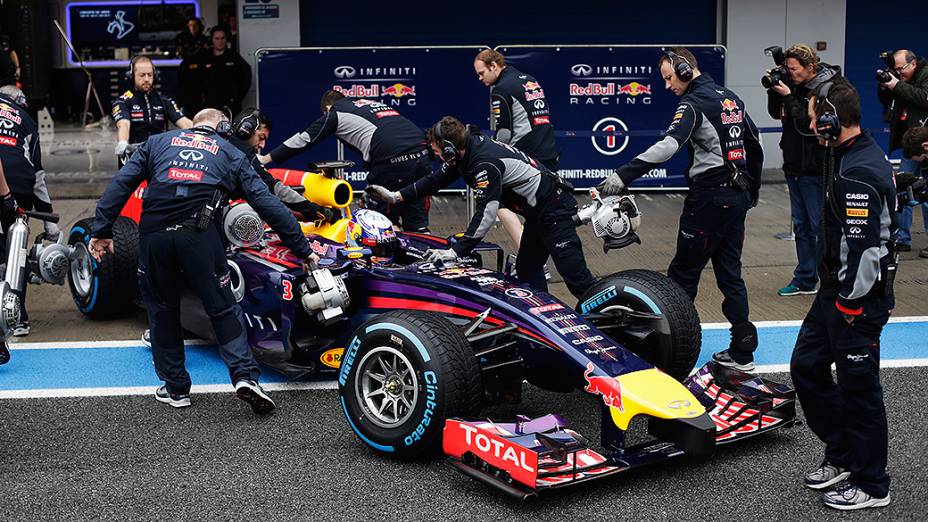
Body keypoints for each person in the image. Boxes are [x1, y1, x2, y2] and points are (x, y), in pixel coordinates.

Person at [89, 109, 316, 414]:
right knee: (223, 308)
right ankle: (245, 377)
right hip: (199, 236)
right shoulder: (229, 152)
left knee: (162, 311)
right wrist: (303, 249)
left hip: (154, 236)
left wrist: (101, 230)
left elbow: (120, 184)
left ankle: (176, 389)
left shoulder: (158, 142)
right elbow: (268, 203)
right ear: (223, 127)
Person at [599, 48, 764, 371]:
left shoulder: (693, 103)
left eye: (669, 77)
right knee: (730, 274)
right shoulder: (729, 98)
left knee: (681, 278)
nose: (667, 85)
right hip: (735, 198)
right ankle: (744, 351)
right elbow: (754, 142)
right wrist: (752, 191)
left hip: (708, 200)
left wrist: (623, 174)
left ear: (686, 70)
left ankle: (668, 354)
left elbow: (668, 146)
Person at [791, 79, 895, 511]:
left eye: (815, 115)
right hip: (836, 288)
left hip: (857, 298)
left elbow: (867, 249)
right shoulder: (847, 154)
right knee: (806, 367)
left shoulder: (858, 170)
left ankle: (873, 485)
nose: (811, 122)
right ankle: (844, 453)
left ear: (832, 119)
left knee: (860, 390)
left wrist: (850, 303)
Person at [367, 116, 596, 298]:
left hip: (554, 210)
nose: (436, 156)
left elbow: (486, 213)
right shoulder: (466, 151)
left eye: (437, 151)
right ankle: (545, 316)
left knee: (577, 279)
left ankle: (610, 325)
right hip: (539, 215)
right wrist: (396, 197)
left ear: (448, 148)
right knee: (527, 271)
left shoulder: (484, 162)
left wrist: (456, 251)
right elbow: (434, 180)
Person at [260, 90, 431, 232]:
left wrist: (265, 159)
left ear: (327, 109)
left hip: (392, 161)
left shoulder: (335, 113)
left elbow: (303, 140)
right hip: (422, 155)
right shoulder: (368, 103)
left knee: (378, 225)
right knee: (417, 225)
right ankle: (424, 264)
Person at [767, 44, 839, 296]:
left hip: (814, 167)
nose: (791, 73)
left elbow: (809, 125)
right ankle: (806, 279)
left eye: (794, 69)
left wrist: (788, 94)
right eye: (787, 68)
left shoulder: (825, 88)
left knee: (819, 226)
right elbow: (775, 113)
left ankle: (829, 279)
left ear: (810, 67)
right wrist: (776, 89)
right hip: (794, 164)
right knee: (801, 226)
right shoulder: (794, 84)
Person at [474, 49, 559, 249]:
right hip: (549, 153)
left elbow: (504, 134)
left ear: (494, 66)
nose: (480, 78)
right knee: (541, 212)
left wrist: (489, 151)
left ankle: (528, 255)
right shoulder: (530, 80)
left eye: (481, 73)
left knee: (496, 199)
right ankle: (541, 258)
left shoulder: (501, 88)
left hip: (527, 158)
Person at [0, 85, 56, 337]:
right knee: (16, 252)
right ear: (19, 101)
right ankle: (17, 318)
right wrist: (50, 225)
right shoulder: (26, 119)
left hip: (8, 187)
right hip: (19, 188)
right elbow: (39, 176)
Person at [228, 108, 338, 223]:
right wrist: (317, 211)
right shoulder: (242, 153)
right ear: (246, 129)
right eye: (261, 138)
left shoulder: (221, 139)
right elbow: (273, 187)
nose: (262, 145)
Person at [877, 49, 928, 255]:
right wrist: (885, 85)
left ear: (913, 64)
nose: (898, 73)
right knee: (903, 189)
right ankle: (902, 238)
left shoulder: (926, 75)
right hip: (909, 145)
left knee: (926, 194)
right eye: (895, 69)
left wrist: (897, 84)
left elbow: (924, 98)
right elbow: (887, 100)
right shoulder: (899, 78)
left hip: (925, 144)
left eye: (901, 69)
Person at [112, 55, 192, 167]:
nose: (146, 79)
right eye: (142, 75)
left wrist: (205, 132)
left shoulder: (164, 101)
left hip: (159, 157)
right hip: (133, 158)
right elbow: (123, 125)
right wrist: (123, 142)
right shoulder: (122, 101)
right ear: (131, 76)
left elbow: (184, 122)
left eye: (150, 75)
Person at [200, 26, 251, 116]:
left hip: (230, 104)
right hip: (209, 105)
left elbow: (246, 76)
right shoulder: (204, 58)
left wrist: (237, 97)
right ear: (211, 40)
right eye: (217, 38)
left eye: (223, 38)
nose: (220, 41)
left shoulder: (234, 57)